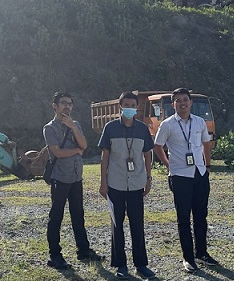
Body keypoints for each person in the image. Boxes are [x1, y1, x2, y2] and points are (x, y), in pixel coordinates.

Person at [153, 87, 220, 273]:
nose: (182, 103)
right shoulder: (167, 124)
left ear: (190, 102)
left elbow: (206, 143)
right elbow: (157, 146)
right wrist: (168, 165)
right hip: (180, 176)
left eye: (185, 100)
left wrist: (207, 166)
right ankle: (188, 258)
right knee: (183, 218)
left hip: (199, 173)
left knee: (201, 216)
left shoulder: (199, 122)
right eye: (178, 101)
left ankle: (202, 253)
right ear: (173, 104)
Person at [39, 91, 102, 269]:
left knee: (78, 215)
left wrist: (73, 127)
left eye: (70, 103)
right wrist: (76, 151)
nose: (67, 106)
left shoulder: (76, 125)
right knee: (56, 216)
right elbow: (57, 152)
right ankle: (55, 255)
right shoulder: (49, 128)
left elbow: (84, 145)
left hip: (75, 177)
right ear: (55, 106)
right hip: (60, 177)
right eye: (64, 103)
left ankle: (83, 251)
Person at [98, 91, 156, 280]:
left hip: (137, 183)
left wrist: (148, 178)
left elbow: (147, 155)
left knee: (137, 225)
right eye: (126, 105)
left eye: (133, 105)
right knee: (117, 225)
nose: (130, 108)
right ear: (120, 107)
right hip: (115, 183)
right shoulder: (110, 128)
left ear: (136, 107)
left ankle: (141, 265)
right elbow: (105, 156)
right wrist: (103, 182)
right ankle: (121, 264)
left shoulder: (142, 129)